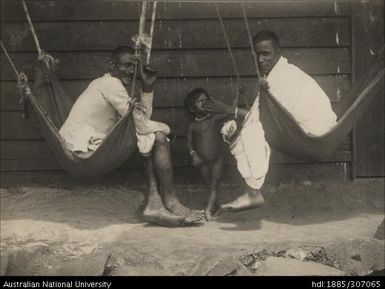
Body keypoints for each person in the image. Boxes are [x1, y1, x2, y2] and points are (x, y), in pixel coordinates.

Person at [59, 45, 205, 226]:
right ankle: (169, 201)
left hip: (86, 145)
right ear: (111, 65)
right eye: (126, 65)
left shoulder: (106, 83)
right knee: (158, 136)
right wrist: (168, 129)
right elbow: (142, 125)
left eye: (133, 67)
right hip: (81, 150)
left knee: (151, 138)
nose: (130, 71)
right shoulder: (111, 84)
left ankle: (155, 203)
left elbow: (141, 121)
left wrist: (147, 88)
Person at [202, 30, 337, 215]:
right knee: (246, 130)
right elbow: (261, 111)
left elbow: (261, 116)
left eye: (266, 54)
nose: (260, 60)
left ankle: (253, 192)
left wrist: (228, 110)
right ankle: (252, 191)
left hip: (317, 134)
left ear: (278, 53)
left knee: (251, 131)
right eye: (257, 54)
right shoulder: (276, 73)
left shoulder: (285, 76)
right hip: (303, 128)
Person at [184, 88, 229, 221]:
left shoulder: (214, 119)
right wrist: (194, 155)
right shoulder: (192, 126)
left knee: (213, 185)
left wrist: (214, 103)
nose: (204, 103)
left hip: (217, 160)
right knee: (210, 185)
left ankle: (208, 210)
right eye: (200, 101)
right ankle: (219, 206)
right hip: (202, 162)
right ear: (192, 108)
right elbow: (189, 144)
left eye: (206, 100)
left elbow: (227, 111)